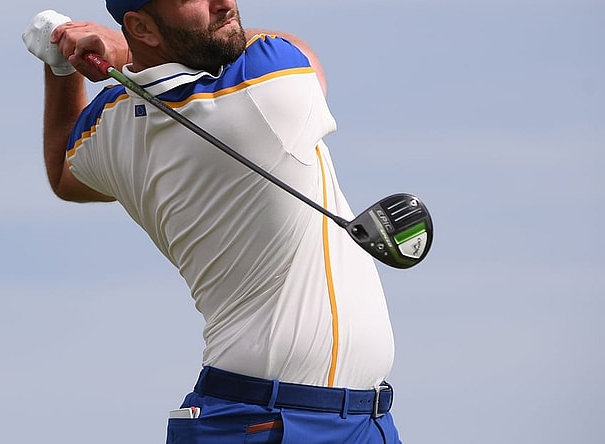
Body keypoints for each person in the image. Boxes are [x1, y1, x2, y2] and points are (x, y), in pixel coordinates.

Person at [23, 1, 403, 443]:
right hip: (263, 422)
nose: (223, 3)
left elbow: (65, 176)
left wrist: (60, 65)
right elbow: (296, 49)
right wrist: (124, 55)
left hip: (359, 419)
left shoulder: (109, 127)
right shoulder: (263, 85)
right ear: (140, 27)